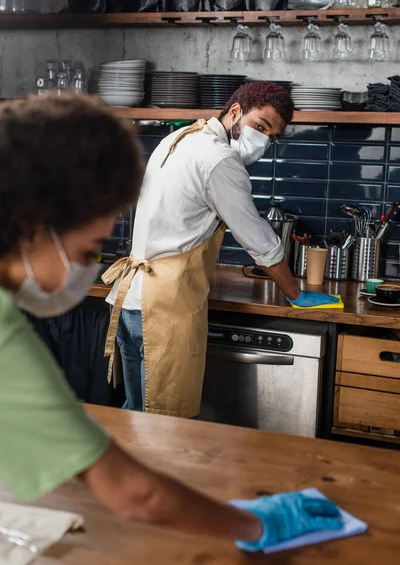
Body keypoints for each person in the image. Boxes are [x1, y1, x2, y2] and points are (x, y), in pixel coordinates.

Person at [0, 93, 343, 551]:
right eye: (88, 252)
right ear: (32, 225)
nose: (85, 270)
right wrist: (256, 525)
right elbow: (135, 492)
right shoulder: (6, 337)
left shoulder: (178, 141)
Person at [105, 81, 339, 416]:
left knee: (136, 413)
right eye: (260, 126)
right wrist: (296, 294)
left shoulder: (179, 138)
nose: (263, 141)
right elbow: (260, 242)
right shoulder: (221, 160)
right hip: (164, 308)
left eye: (271, 137)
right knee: (165, 421)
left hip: (129, 301)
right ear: (235, 112)